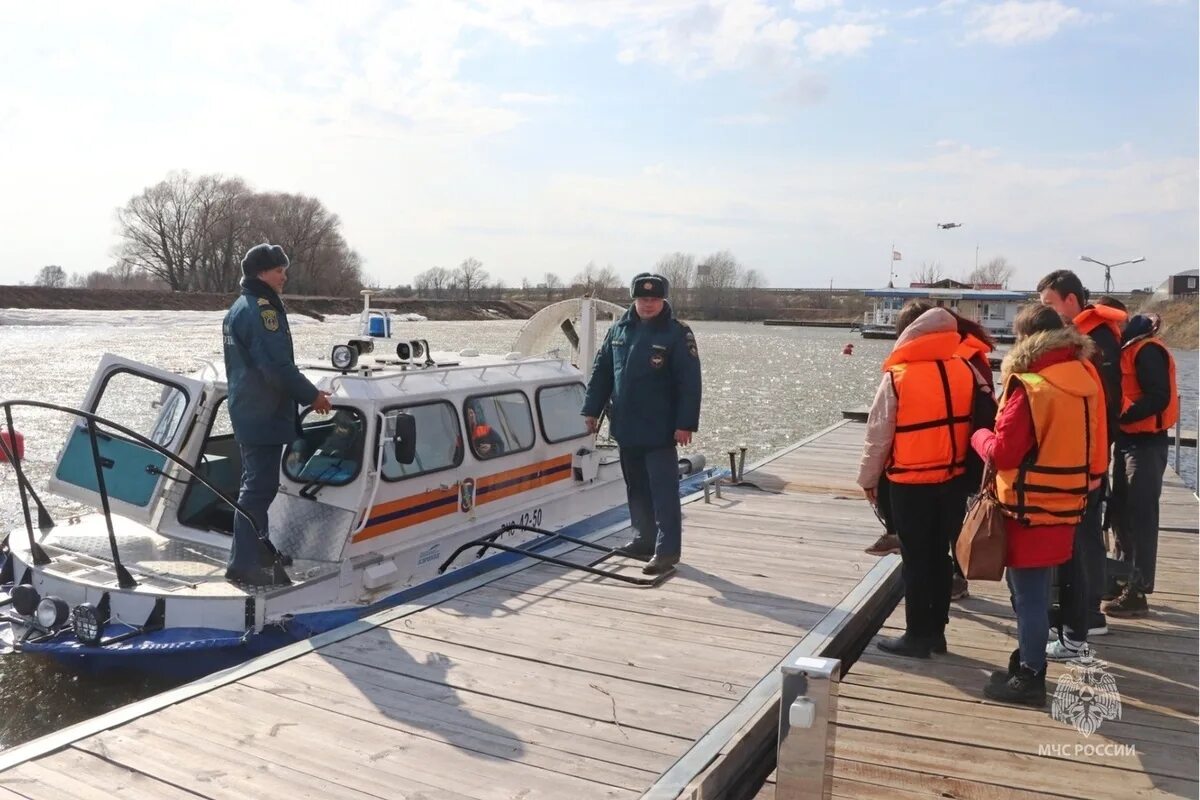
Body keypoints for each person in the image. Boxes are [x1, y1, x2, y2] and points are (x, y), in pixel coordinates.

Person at [972, 305, 1101, 706]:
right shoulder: (1085, 380)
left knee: (1027, 596)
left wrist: (978, 437)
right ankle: (1027, 660)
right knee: (1039, 591)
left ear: (1025, 340)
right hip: (1067, 503)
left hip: (1027, 509)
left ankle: (1030, 676)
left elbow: (1006, 452)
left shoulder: (1029, 386)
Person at [858, 303, 975, 658]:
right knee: (940, 556)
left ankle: (916, 634)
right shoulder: (965, 369)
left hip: (911, 482)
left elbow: (878, 433)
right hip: (952, 479)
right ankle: (936, 631)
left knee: (916, 558)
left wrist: (868, 478)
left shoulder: (898, 375)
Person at [223, 243, 331, 586]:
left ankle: (257, 552)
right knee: (258, 489)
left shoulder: (239, 307)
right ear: (261, 273)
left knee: (256, 484)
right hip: (262, 411)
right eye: (279, 270)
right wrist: (312, 396)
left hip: (249, 408)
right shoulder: (262, 311)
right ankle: (245, 563)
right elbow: (276, 366)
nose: (284, 276)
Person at [582, 273, 702, 576]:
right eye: (642, 299)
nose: (648, 304)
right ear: (634, 299)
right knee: (636, 489)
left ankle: (667, 550)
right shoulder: (619, 331)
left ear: (663, 300)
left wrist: (685, 423)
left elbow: (690, 383)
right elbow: (602, 373)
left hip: (660, 429)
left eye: (654, 299)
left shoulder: (677, 334)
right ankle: (643, 540)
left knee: (663, 492)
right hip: (626, 425)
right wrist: (591, 410)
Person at [1037, 269, 1120, 653]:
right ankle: (1080, 614)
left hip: (1087, 465)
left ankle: (1087, 615)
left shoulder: (1096, 342)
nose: (1049, 313)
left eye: (1050, 304)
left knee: (1085, 539)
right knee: (1080, 539)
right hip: (1087, 461)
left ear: (1071, 300)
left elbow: (1105, 407)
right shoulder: (1090, 340)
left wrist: (1092, 463)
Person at [1104, 313, 1178, 618]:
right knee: (1120, 511)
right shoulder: (1126, 349)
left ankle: (1138, 589)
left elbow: (1159, 397)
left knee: (1140, 515)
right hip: (1127, 442)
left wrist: (1125, 416)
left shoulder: (1146, 350)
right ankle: (1121, 576)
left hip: (1146, 444)